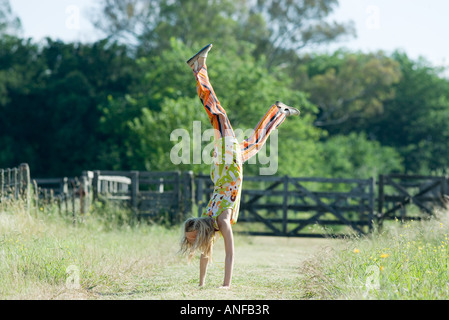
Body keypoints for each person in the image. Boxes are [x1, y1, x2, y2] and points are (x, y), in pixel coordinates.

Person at [179, 44, 300, 289]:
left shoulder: (218, 220)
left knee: (218, 115)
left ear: (201, 231)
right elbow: (207, 255)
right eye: (192, 241)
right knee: (255, 143)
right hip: (225, 165)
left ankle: (199, 69)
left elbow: (230, 255)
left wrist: (226, 286)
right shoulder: (212, 220)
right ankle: (279, 112)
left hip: (227, 163)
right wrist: (201, 285)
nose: (192, 243)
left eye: (191, 240)